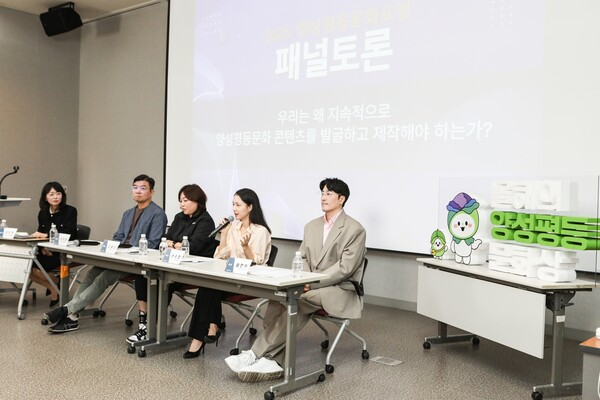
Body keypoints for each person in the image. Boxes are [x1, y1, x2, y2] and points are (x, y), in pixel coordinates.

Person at [224, 178, 366, 382]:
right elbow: (302, 257)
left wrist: (311, 283)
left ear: (341, 199)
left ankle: (255, 353)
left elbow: (345, 268)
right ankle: (274, 360)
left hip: (338, 289)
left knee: (298, 301)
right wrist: (303, 280)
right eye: (322, 193)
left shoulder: (355, 229)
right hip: (308, 284)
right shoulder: (312, 226)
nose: (323, 197)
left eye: (329, 193)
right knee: (279, 297)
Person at [44, 174, 168, 333]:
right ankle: (72, 315)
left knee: (103, 278)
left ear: (152, 192)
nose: (138, 191)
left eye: (143, 188)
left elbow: (153, 243)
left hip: (136, 262)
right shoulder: (128, 213)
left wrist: (128, 251)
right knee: (91, 274)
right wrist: (114, 247)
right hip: (119, 256)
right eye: (135, 188)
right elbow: (118, 236)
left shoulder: (158, 214)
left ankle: (66, 310)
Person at [183, 188, 271, 359]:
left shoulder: (261, 231)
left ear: (250, 207)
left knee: (210, 289)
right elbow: (219, 257)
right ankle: (206, 331)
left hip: (249, 280)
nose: (234, 209)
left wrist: (245, 247)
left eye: (238, 205)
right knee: (206, 287)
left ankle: (208, 329)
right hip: (230, 278)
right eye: (233, 205)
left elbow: (258, 262)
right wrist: (224, 234)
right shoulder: (233, 228)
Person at [128, 184, 218, 342]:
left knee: (163, 282)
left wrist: (174, 244)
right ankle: (145, 323)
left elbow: (194, 247)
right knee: (143, 276)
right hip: (172, 263)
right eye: (180, 200)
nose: (182, 204)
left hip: (192, 269)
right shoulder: (179, 217)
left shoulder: (206, 221)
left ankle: (150, 327)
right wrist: (177, 244)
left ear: (197, 201)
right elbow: (165, 238)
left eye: (185, 200)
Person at [31, 182, 78, 307]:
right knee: (27, 267)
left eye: (58, 193)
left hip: (63, 252)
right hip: (46, 250)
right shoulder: (43, 213)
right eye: (51, 194)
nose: (55, 197)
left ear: (62, 196)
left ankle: (56, 288)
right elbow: (40, 233)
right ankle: (55, 287)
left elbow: (68, 233)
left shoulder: (70, 211)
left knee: (38, 269)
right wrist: (43, 249)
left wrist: (46, 237)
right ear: (45, 197)